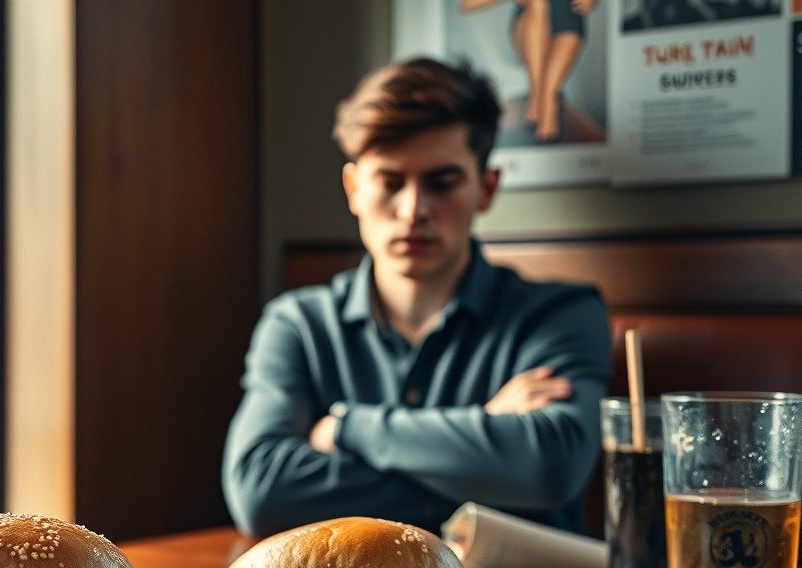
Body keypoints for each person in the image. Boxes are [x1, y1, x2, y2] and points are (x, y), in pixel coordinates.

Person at [222, 57, 609, 539]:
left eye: (442, 183)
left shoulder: (561, 315)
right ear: (353, 189)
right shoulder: (297, 325)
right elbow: (261, 491)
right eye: (390, 182)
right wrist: (485, 446)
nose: (414, 210)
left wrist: (345, 430)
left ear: (486, 189)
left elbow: (550, 467)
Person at [461, 0, 598, 143]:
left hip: (568, 24)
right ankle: (543, 97)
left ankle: (545, 98)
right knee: (538, 3)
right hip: (529, 25)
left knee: (567, 19)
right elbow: (467, 4)